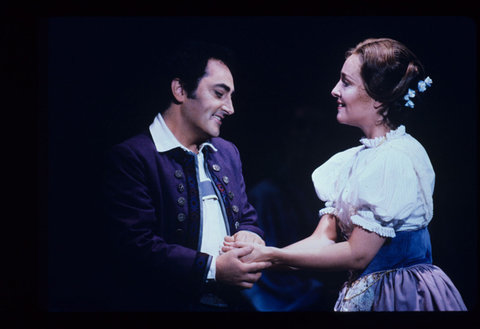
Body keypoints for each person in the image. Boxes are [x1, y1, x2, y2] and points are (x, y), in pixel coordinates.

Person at [223, 38, 467, 311]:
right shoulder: (353, 161)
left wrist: (270, 256)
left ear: (378, 97)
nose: (334, 90)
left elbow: (358, 254)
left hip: (400, 296)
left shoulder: (393, 159)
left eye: (346, 82)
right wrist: (264, 257)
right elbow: (323, 239)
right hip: (367, 292)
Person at [103, 40, 269, 311]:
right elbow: (135, 244)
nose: (230, 108)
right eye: (219, 93)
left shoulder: (227, 153)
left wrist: (250, 235)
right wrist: (213, 269)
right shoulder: (133, 156)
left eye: (231, 96)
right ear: (180, 90)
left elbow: (247, 217)